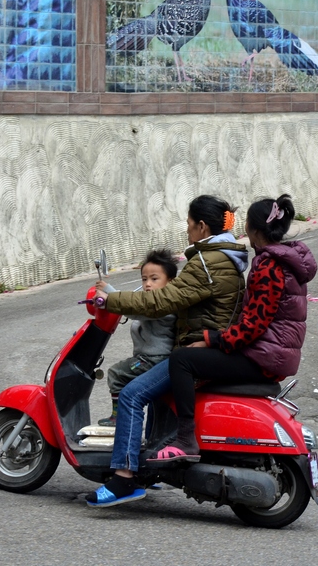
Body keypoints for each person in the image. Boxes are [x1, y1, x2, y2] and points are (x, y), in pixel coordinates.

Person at [84, 195, 248, 507]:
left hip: (196, 352)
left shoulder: (206, 263)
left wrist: (112, 300)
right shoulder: (226, 258)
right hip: (207, 346)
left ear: (201, 227)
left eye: (189, 225)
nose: (187, 232)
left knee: (131, 395)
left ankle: (123, 479)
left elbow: (161, 302)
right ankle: (146, 467)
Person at [148, 194, 317, 464]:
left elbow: (253, 325)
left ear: (253, 228)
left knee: (182, 360)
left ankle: (185, 439)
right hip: (273, 354)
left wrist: (211, 339)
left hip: (263, 357)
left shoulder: (268, 266)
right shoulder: (284, 261)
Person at [95, 249, 179, 427]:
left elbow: (136, 309)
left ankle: (118, 417)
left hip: (153, 360)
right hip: (151, 358)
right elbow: (136, 303)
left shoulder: (164, 304)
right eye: (144, 279)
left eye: (154, 279)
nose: (148, 284)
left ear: (170, 281)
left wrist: (109, 292)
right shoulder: (153, 300)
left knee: (116, 373)